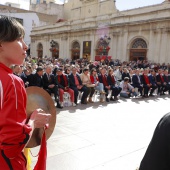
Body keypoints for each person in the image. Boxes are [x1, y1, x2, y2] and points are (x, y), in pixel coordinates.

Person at [0, 16, 51, 170]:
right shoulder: (12, 82)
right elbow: (12, 146)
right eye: (19, 39)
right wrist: (34, 121)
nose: (26, 46)